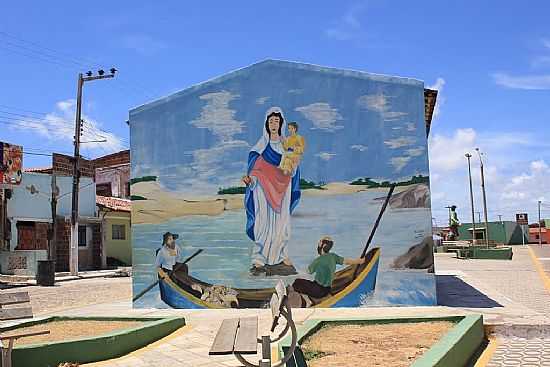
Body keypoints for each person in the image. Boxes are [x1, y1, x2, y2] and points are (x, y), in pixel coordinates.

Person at [243, 107, 301, 276]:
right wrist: (250, 181)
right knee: (262, 224)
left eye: (276, 121)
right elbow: (255, 170)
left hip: (283, 189)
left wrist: (293, 167)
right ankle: (259, 259)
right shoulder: (260, 147)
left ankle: (281, 256)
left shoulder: (287, 146)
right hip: (262, 190)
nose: (273, 124)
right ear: (266, 124)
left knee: (281, 224)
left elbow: (294, 168)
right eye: (271, 121)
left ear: (281, 124)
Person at [291, 236, 365, 307]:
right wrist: (358, 261)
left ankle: (307, 301)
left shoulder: (318, 260)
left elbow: (308, 272)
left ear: (323, 246)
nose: (318, 245)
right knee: (308, 283)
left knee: (297, 282)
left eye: (319, 243)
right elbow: (346, 261)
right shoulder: (333, 256)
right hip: (327, 289)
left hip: (318, 290)